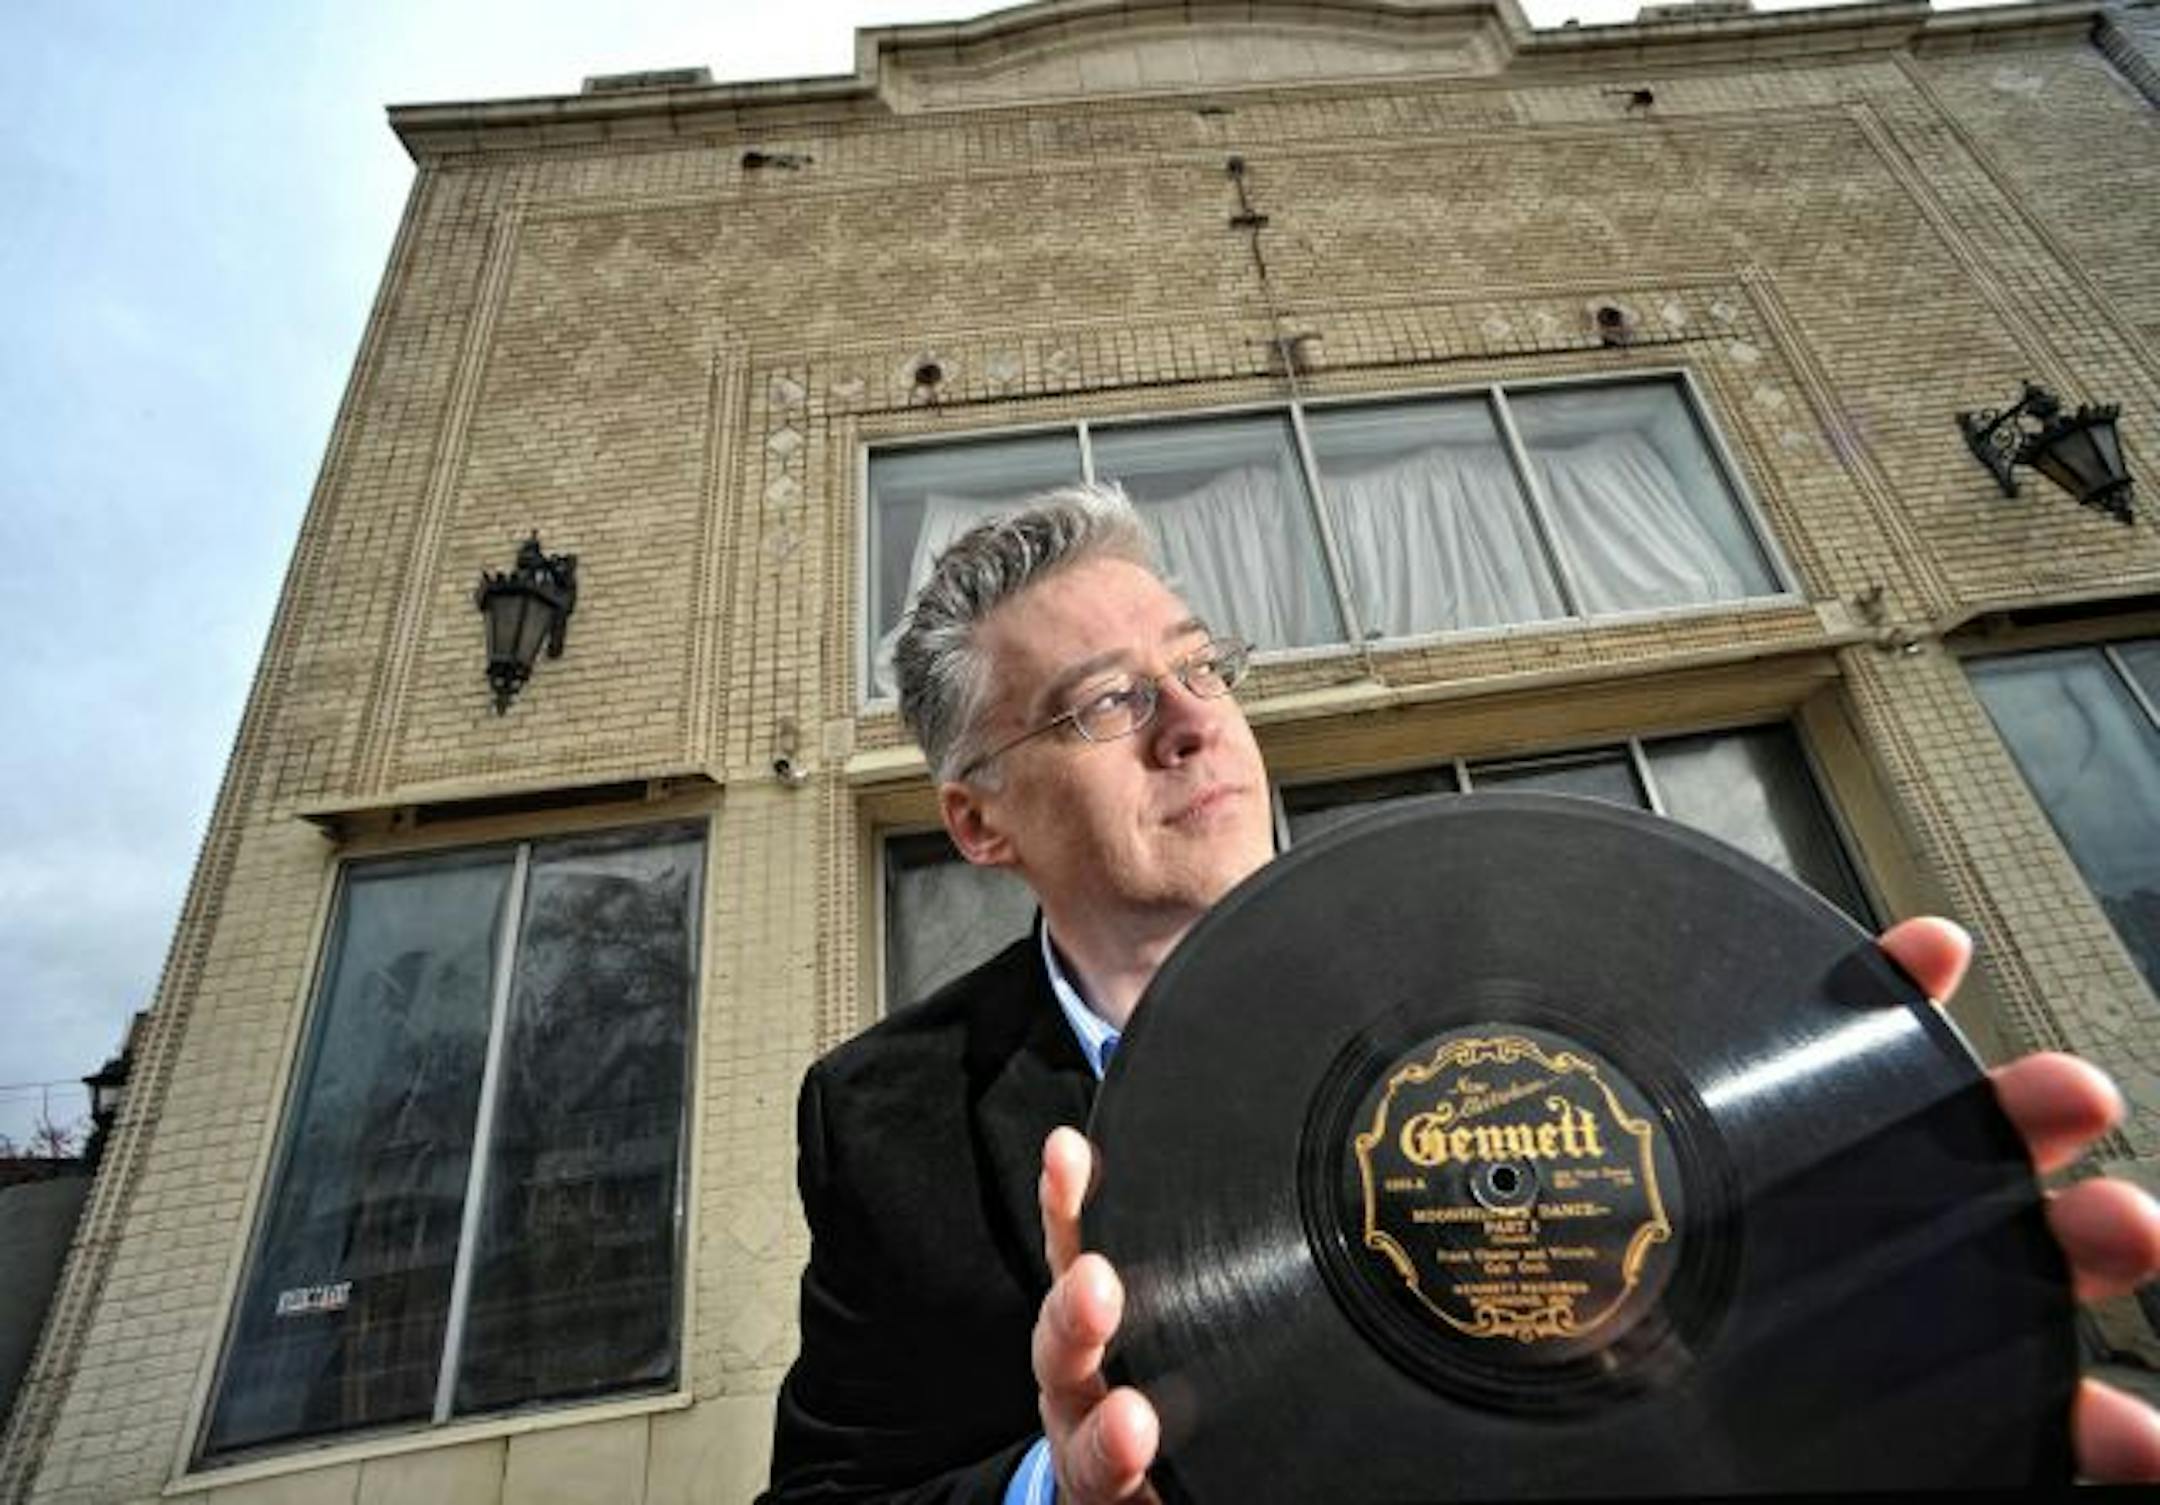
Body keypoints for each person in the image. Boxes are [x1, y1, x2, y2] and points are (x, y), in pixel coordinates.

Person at [761, 484, 2160, 1504]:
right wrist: (1052, 1495)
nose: (1195, 720)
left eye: (1198, 665)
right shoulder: (885, 1122)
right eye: (1104, 702)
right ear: (978, 820)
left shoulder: (1541, 943)